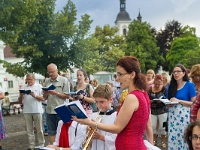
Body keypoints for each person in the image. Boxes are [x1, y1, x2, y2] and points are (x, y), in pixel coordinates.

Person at [72, 56, 153, 150]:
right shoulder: (144, 95)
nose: (117, 78)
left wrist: (89, 122)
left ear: (132, 74)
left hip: (128, 146)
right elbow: (149, 127)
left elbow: (117, 128)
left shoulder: (132, 97)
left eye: (120, 74)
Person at [167, 64, 196, 149]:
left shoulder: (189, 85)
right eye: (174, 72)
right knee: (173, 138)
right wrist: (168, 103)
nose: (176, 73)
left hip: (184, 116)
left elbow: (193, 103)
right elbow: (168, 100)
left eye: (178, 71)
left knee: (184, 137)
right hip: (172, 115)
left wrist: (179, 101)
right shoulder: (170, 86)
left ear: (184, 73)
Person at [43, 63, 70, 145]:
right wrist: (45, 93)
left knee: (63, 131)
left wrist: (56, 93)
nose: (50, 74)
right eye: (49, 72)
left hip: (61, 109)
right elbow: (45, 98)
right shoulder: (47, 81)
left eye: (52, 72)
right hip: (50, 110)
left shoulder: (64, 80)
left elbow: (67, 96)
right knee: (51, 132)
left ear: (57, 70)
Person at [18, 73, 45, 150]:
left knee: (39, 129)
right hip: (27, 110)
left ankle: (41, 145)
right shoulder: (24, 87)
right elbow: (20, 101)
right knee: (29, 130)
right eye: (27, 79)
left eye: (30, 79)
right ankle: (31, 146)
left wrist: (35, 95)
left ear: (34, 79)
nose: (28, 81)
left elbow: (43, 98)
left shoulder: (39, 86)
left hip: (37, 110)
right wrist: (21, 95)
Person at [90, 84, 117, 150]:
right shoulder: (93, 115)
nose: (99, 105)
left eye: (102, 102)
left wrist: (101, 137)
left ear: (111, 100)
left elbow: (117, 139)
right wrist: (88, 130)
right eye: (96, 102)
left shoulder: (116, 116)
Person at [148, 74, 167, 148]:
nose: (157, 85)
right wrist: (152, 101)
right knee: (152, 126)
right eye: (156, 83)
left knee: (163, 127)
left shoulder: (164, 89)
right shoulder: (150, 89)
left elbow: (168, 98)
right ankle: (154, 141)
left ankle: (163, 141)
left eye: (159, 84)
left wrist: (162, 100)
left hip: (162, 109)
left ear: (162, 82)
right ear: (154, 82)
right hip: (153, 110)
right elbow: (146, 99)